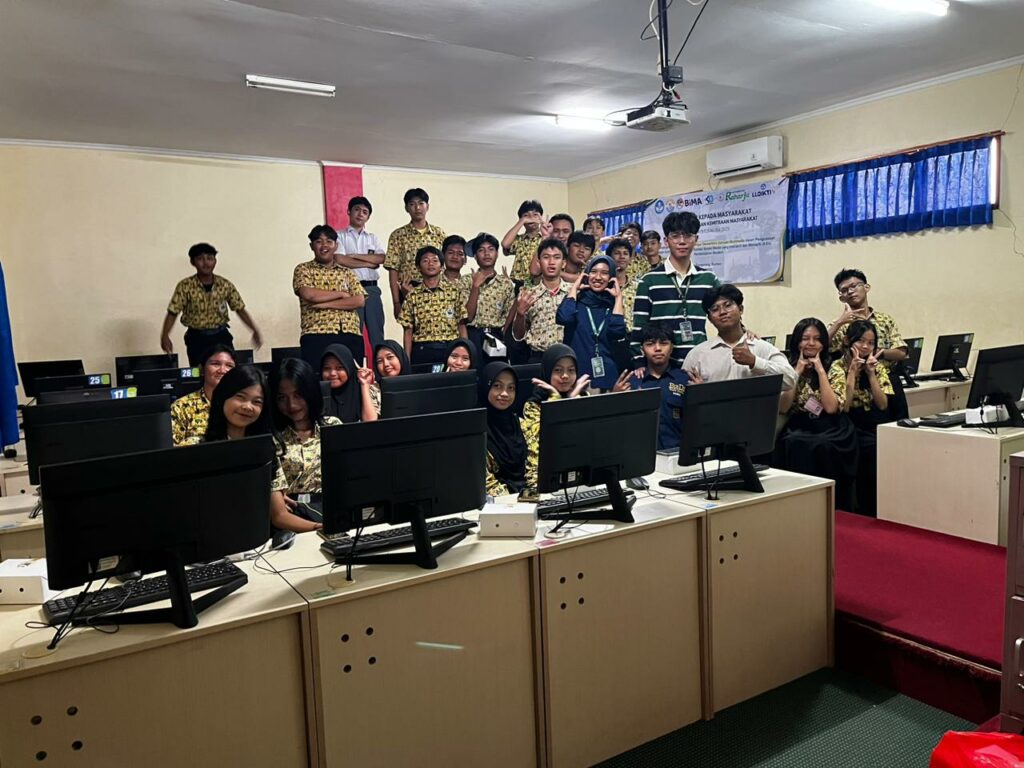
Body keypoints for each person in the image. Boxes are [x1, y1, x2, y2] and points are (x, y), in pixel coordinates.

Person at [203, 365, 312, 535]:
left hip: (258, 540)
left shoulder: (265, 449)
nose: (248, 407)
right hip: (215, 539)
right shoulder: (198, 448)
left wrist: (320, 528)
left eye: (257, 402)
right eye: (240, 397)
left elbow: (279, 515)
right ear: (222, 397)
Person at [775, 318, 859, 511]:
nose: (811, 343)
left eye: (817, 339)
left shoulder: (835, 366)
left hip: (832, 426)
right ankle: (798, 504)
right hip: (801, 424)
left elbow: (830, 408)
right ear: (797, 341)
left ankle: (828, 504)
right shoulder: (788, 367)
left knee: (823, 445)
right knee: (791, 442)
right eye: (805, 338)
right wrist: (797, 371)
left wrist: (820, 370)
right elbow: (784, 407)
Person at [632, 211, 720, 367]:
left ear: (696, 239)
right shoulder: (649, 281)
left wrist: (742, 332)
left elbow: (724, 314)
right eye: (675, 236)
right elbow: (639, 326)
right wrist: (639, 361)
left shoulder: (708, 279)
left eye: (688, 236)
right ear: (666, 241)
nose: (682, 242)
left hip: (699, 362)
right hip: (662, 365)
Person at [269, 359, 342, 535]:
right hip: (294, 524)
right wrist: (320, 529)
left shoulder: (332, 426)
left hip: (334, 512)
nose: (292, 405)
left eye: (298, 395)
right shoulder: (272, 438)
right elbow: (279, 516)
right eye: (282, 398)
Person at [829, 319, 893, 517]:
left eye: (871, 343)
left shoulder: (877, 367)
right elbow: (845, 406)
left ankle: (879, 506)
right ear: (848, 341)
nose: (865, 347)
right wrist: (852, 373)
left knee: (884, 445)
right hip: (846, 423)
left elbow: (883, 404)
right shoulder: (838, 366)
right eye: (861, 341)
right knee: (866, 448)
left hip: (871, 420)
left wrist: (871, 374)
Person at [161, 242, 262, 366]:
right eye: (200, 259)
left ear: (215, 261)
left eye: (209, 258)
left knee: (228, 370)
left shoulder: (225, 285)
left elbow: (240, 309)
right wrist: (165, 335)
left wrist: (254, 329)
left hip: (221, 335)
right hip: (196, 338)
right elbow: (173, 312)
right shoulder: (185, 286)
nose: (206, 263)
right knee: (198, 372)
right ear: (192, 262)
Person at [828, 267, 909, 420]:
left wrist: (874, 352)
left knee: (900, 427)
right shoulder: (840, 325)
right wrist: (839, 322)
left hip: (887, 379)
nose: (850, 291)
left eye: (854, 286)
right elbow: (820, 347)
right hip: (857, 386)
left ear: (866, 287)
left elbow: (901, 353)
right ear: (841, 298)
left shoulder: (885, 319)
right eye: (844, 290)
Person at [683, 284, 796, 389]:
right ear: (710, 319)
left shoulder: (762, 348)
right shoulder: (697, 355)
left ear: (741, 309)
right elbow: (681, 391)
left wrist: (755, 362)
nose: (722, 312)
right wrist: (699, 392)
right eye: (715, 309)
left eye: (728, 305)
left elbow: (791, 379)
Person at [293, 224, 366, 369]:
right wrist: (341, 294)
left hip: (350, 333)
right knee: (318, 379)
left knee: (353, 377)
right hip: (316, 333)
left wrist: (325, 304)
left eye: (329, 241)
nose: (324, 245)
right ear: (311, 246)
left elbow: (359, 300)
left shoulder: (347, 272)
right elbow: (309, 295)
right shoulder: (303, 269)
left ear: (336, 246)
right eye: (319, 241)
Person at [521, 344, 590, 496]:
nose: (565, 376)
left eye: (571, 370)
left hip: (581, 475)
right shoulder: (533, 405)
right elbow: (544, 443)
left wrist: (572, 400)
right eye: (558, 370)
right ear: (547, 371)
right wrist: (557, 399)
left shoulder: (584, 398)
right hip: (546, 479)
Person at [612, 323, 689, 450]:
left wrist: (699, 394)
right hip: (640, 453)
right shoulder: (629, 383)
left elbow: (697, 421)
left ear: (671, 348)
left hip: (677, 452)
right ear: (642, 349)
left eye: (664, 343)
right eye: (650, 344)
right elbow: (616, 426)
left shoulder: (685, 380)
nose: (657, 348)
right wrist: (615, 398)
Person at [556, 255, 627, 390]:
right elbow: (564, 318)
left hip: (607, 374)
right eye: (593, 272)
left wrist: (618, 298)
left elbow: (617, 332)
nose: (598, 277)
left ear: (611, 277)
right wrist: (574, 288)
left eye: (604, 273)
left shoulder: (613, 305)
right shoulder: (576, 301)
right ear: (586, 274)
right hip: (578, 375)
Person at [398, 246, 468, 365]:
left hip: (450, 349)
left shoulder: (454, 292)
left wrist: (466, 353)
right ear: (418, 267)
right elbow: (408, 331)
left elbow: (461, 325)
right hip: (421, 350)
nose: (430, 264)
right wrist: (407, 362)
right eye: (425, 260)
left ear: (441, 266)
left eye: (435, 260)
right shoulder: (412, 295)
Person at [334, 196, 386, 352]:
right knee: (353, 334)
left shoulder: (372, 238)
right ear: (349, 212)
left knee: (377, 335)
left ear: (368, 217)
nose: (360, 214)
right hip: (349, 291)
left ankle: (380, 367)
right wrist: (369, 263)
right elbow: (340, 259)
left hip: (372, 289)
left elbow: (381, 258)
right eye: (357, 210)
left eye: (365, 212)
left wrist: (354, 255)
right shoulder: (339, 236)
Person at [384, 188, 446, 317]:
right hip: (408, 288)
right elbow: (393, 270)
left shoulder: (439, 233)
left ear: (427, 206)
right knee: (411, 327)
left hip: (436, 288)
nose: (417, 208)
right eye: (412, 204)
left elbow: (444, 265)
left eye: (421, 203)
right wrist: (396, 302)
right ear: (406, 208)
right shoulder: (398, 235)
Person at [511, 240, 570, 362]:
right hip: (538, 358)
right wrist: (520, 314)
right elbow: (518, 336)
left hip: (568, 356)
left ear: (564, 263)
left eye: (556, 257)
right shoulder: (527, 294)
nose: (551, 262)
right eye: (546, 257)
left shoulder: (574, 292)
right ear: (538, 262)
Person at [478, 362, 528, 498]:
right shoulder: (476, 431)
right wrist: (513, 502)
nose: (505, 393)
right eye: (497, 386)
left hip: (528, 498)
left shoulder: (522, 425)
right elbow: (485, 482)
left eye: (511, 388)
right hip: (496, 503)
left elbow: (535, 466)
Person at [171, 343, 236, 446]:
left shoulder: (240, 405)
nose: (222, 370)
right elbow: (171, 451)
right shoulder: (181, 407)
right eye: (216, 364)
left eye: (229, 366)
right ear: (201, 369)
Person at [464, 232, 515, 356]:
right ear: (475, 256)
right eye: (481, 250)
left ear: (497, 254)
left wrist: (503, 335)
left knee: (496, 368)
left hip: (496, 336)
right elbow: (468, 317)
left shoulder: (505, 284)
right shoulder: (466, 281)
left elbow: (509, 316)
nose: (487, 254)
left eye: (491, 249)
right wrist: (475, 287)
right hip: (473, 335)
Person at [320, 344, 378, 423]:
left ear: (349, 368)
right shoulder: (316, 392)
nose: (332, 373)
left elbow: (370, 422)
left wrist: (364, 385)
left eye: (339, 368)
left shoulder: (364, 389)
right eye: (327, 368)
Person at [502, 200, 545, 285]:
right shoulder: (519, 239)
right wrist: (522, 221)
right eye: (526, 215)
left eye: (535, 215)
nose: (531, 218)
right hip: (520, 284)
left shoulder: (546, 238)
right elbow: (505, 244)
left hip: (540, 283)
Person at [367, 340, 411, 416]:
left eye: (390, 357)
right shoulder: (374, 390)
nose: (386, 364)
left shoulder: (415, 385)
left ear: (400, 357)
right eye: (380, 361)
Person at [606, 237, 638, 331]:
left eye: (625, 253)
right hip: (608, 334)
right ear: (609, 257)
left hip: (632, 335)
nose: (622, 257)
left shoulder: (638, 286)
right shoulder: (603, 286)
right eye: (617, 253)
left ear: (630, 258)